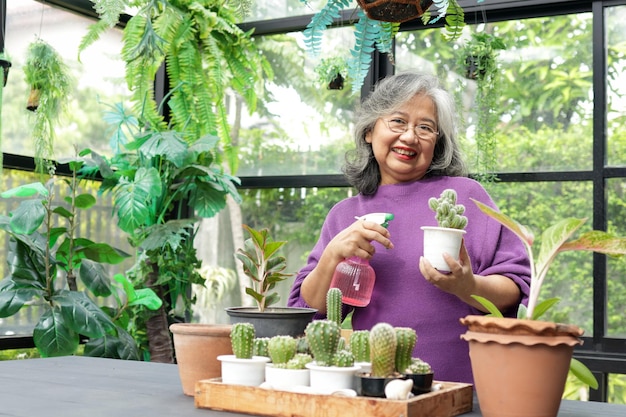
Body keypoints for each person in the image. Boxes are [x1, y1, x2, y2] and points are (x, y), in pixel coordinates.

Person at [287, 71, 531, 384]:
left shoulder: (466, 196)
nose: (410, 137)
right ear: (369, 131)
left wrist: (467, 286)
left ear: (437, 143)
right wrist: (333, 255)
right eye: (398, 121)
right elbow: (308, 310)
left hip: (464, 389)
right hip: (377, 390)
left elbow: (516, 287)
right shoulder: (345, 215)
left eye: (425, 127)